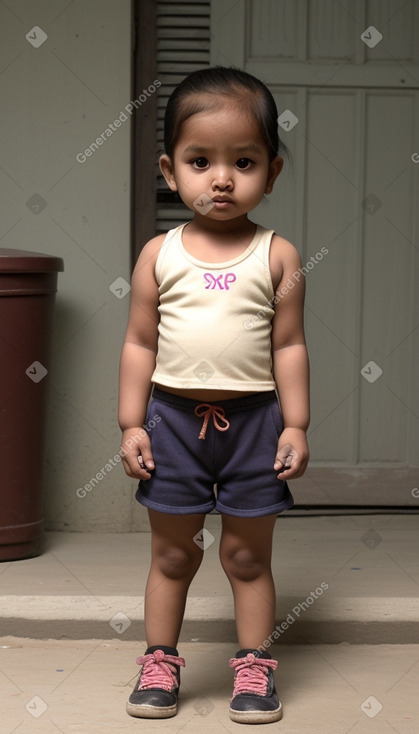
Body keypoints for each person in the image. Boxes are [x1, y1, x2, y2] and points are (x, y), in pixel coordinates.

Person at [118, 66, 310, 725]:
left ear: (272, 172)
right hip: (172, 423)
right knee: (174, 553)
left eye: (243, 161)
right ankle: (159, 662)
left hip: (254, 426)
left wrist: (295, 425)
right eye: (201, 161)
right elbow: (140, 343)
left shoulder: (277, 256)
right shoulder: (158, 254)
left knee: (245, 556)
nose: (221, 178)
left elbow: (287, 346)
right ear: (171, 171)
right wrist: (131, 424)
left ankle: (253, 669)